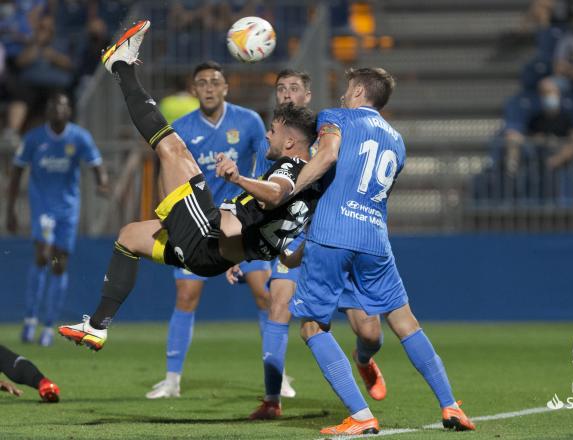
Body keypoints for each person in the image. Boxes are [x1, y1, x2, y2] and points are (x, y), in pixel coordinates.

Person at [57, 20, 320, 353]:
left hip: (205, 236)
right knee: (129, 236)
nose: (268, 134)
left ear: (291, 140)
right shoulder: (311, 193)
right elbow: (288, 252)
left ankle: (120, 65)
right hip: (211, 253)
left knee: (172, 148)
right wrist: (270, 249)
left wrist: (238, 179)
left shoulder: (291, 168)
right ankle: (96, 326)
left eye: (274, 130)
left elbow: (276, 193)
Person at [285, 67, 476, 434]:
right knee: (406, 323)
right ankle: (451, 406)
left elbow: (326, 157)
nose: (342, 95)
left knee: (312, 327)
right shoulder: (398, 141)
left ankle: (360, 416)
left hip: (332, 233)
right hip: (374, 238)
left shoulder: (336, 117)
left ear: (357, 92)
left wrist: (287, 190)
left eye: (346, 89)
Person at [226, 69, 387, 420]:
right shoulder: (273, 145)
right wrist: (239, 247)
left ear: (308, 95)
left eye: (294, 88)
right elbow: (257, 198)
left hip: (337, 237)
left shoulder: (333, 129)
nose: (286, 94)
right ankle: (272, 400)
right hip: (296, 236)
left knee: (370, 331)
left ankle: (364, 358)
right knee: (278, 305)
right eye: (280, 88)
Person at [146, 60, 272, 400]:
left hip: (244, 223)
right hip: (197, 223)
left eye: (215, 81)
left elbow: (264, 164)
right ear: (194, 89)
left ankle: (276, 376)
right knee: (186, 296)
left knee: (265, 294)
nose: (209, 87)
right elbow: (166, 170)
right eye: (202, 82)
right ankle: (172, 380)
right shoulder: (182, 127)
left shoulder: (249, 121)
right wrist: (169, 217)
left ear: (226, 87)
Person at [6, 92, 108, 347]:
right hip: (42, 207)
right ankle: (30, 318)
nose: (58, 110)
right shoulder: (34, 139)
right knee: (42, 255)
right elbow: (17, 171)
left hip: (68, 210)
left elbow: (96, 164)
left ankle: (49, 324)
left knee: (58, 264)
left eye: (63, 106)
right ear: (48, 111)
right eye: (54, 105)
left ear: (69, 111)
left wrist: (102, 183)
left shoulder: (79, 138)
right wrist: (11, 210)